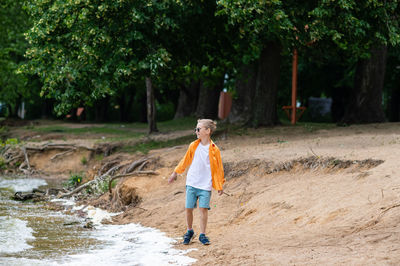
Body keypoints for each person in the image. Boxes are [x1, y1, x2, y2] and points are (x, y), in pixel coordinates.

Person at [168, 119, 225, 245]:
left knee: (203, 209)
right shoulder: (193, 145)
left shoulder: (215, 150)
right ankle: (189, 231)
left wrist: (220, 185)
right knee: (189, 208)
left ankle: (203, 234)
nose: (196, 131)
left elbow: (219, 169)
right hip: (192, 183)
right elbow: (185, 161)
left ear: (207, 131)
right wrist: (175, 173)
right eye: (196, 129)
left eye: (199, 129)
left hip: (206, 185)